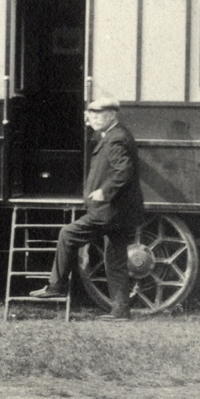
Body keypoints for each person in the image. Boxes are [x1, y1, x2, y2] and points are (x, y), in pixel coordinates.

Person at [29, 97, 145, 319]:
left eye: (96, 114)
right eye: (90, 114)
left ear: (111, 115)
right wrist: (92, 124)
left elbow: (124, 171)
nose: (91, 118)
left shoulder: (116, 139)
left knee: (67, 234)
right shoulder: (114, 134)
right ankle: (120, 311)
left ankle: (56, 286)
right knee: (116, 260)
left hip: (109, 211)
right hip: (121, 212)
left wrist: (104, 191)